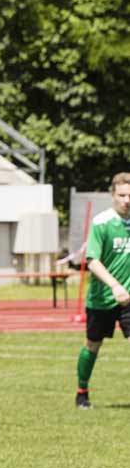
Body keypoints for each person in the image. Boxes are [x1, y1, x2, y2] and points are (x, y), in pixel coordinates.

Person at [76, 173, 130, 409]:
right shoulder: (101, 223)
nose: (127, 200)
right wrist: (115, 285)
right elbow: (92, 261)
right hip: (103, 297)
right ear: (112, 196)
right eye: (122, 195)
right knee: (92, 345)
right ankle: (82, 390)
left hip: (129, 298)